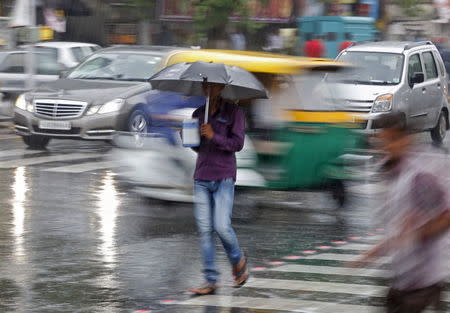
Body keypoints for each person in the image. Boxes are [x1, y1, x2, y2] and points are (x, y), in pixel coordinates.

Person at [350, 112, 450, 313]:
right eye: (382, 141)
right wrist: (373, 253)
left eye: (390, 140)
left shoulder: (421, 175)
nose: (385, 147)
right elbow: (398, 227)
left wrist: (417, 233)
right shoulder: (395, 171)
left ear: (406, 139)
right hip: (402, 278)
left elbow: (446, 216)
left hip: (423, 282)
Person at [189, 83, 249, 295]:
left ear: (221, 87)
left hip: (223, 176)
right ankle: (210, 280)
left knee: (222, 227)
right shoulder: (198, 113)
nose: (207, 89)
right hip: (202, 177)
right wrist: (189, 136)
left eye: (212, 86)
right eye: (205, 86)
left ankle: (238, 259)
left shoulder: (234, 112)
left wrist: (215, 135)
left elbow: (237, 143)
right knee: (205, 231)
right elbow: (197, 147)